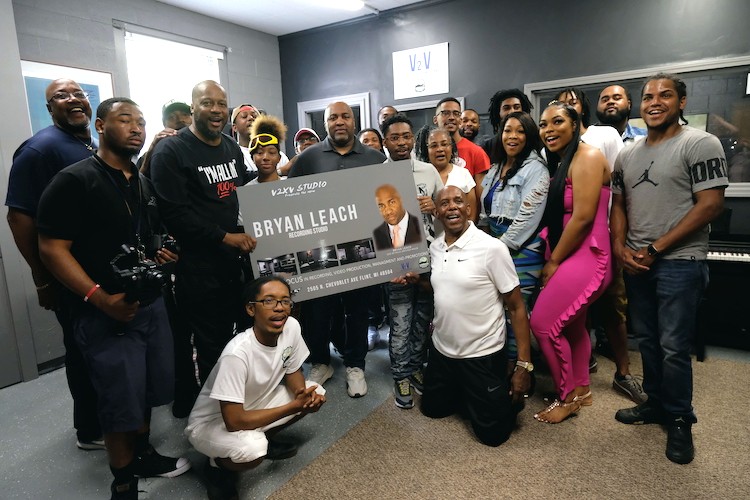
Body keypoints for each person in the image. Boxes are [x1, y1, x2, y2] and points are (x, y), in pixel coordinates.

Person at [36, 97, 190, 499]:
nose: (136, 128)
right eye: (125, 120)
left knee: (145, 390)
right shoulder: (75, 179)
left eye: (140, 121)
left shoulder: (142, 183)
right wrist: (99, 298)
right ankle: (123, 481)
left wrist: (163, 253)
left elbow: (146, 239)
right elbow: (52, 247)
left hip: (149, 303)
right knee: (118, 399)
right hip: (104, 311)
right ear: (101, 126)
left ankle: (143, 454)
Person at [611, 73, 727, 464]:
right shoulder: (627, 153)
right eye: (647, 97)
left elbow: (710, 205)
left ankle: (680, 419)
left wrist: (655, 249)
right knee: (646, 342)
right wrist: (620, 247)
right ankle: (655, 404)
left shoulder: (700, 143)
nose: (654, 102)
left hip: (680, 261)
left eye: (664, 95)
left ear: (681, 102)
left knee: (674, 348)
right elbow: (619, 205)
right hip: (638, 262)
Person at [5, 78, 103, 450]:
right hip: (68, 275)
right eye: (61, 96)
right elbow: (19, 218)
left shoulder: (87, 143)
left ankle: (109, 418)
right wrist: (42, 278)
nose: (74, 99)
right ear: (49, 109)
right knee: (82, 350)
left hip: (99, 270)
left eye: (79, 94)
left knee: (101, 348)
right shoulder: (39, 151)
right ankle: (91, 431)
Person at [150, 81, 256, 416]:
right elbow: (175, 214)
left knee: (247, 338)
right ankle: (219, 422)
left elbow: (241, 198)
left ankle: (246, 408)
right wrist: (226, 238)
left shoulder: (230, 147)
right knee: (214, 346)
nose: (215, 110)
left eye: (221, 104)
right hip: (199, 269)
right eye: (207, 103)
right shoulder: (171, 152)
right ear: (193, 108)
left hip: (236, 264)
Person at [401, 186, 532, 446]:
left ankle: (498, 389)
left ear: (469, 209)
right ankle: (468, 392)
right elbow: (443, 287)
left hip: (481, 354)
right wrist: (418, 282)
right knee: (432, 411)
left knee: (494, 436)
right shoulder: (436, 248)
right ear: (437, 212)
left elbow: (517, 307)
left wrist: (524, 365)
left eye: (458, 201)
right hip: (443, 352)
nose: (452, 206)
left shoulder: (492, 249)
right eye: (445, 203)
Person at [186, 277, 325, 500]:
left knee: (315, 390)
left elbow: (292, 370)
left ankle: (261, 436)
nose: (279, 307)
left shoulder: (291, 327)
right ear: (251, 309)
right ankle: (217, 466)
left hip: (253, 404)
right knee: (253, 451)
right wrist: (293, 407)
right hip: (213, 422)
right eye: (269, 301)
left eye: (285, 300)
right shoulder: (237, 354)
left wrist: (303, 396)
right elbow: (234, 421)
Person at [288, 101, 386, 397]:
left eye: (345, 116)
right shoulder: (308, 158)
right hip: (320, 251)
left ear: (354, 121)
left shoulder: (375, 158)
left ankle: (356, 364)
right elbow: (289, 201)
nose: (339, 121)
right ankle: (321, 361)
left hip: (361, 249)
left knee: (358, 310)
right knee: (319, 310)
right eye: (333, 117)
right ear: (326, 123)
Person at [529, 101, 613, 424]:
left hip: (587, 254)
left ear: (576, 122)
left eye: (558, 122)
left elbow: (582, 218)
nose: (549, 130)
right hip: (572, 253)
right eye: (544, 124)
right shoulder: (565, 160)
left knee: (543, 324)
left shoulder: (587, 156)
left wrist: (554, 262)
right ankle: (582, 390)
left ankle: (566, 397)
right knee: (573, 326)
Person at [380, 114, 443, 409]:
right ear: (385, 142)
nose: (402, 142)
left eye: (406, 136)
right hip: (395, 261)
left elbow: (447, 215)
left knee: (422, 319)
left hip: (428, 258)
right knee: (400, 321)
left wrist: (434, 207)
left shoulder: (429, 171)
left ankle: (417, 365)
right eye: (395, 137)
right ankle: (401, 375)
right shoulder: (375, 176)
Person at [479, 112, 549, 364]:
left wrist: (497, 248)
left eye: (520, 131)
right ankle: (500, 369)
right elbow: (484, 210)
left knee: (515, 311)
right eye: (508, 130)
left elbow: (528, 216)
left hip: (522, 248)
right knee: (496, 307)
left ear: (529, 136)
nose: (513, 136)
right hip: (496, 244)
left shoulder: (535, 169)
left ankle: (518, 374)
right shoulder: (497, 166)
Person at [417, 126, 478, 222]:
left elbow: (471, 216)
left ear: (451, 147)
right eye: (434, 145)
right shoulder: (419, 177)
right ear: (427, 150)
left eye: (444, 144)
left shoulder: (463, 174)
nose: (440, 149)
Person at [555, 87, 623, 170]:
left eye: (572, 103)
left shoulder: (607, 134)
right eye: (561, 105)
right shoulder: (554, 144)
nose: (566, 108)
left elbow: (620, 171)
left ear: (583, 109)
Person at [433, 97, 490, 184]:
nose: (451, 117)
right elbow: (409, 194)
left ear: (460, 120)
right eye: (445, 113)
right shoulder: (425, 152)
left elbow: (481, 196)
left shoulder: (477, 152)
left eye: (456, 113)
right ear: (435, 119)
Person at [231, 103, 289, 176]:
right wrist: (280, 171)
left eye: (254, 116)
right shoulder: (233, 155)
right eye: (244, 116)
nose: (251, 118)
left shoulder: (280, 156)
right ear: (234, 127)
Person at [138, 99, 192, 177]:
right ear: (164, 123)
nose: (180, 120)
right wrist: (150, 155)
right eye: (171, 117)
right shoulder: (152, 154)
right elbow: (136, 186)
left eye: (185, 115)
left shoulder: (205, 146)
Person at [484, 89, 534, 161]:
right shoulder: (489, 146)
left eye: (516, 107)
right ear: (498, 113)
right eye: (506, 108)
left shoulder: (534, 140)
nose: (512, 111)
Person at [372, 184, 423, 250]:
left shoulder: (420, 224)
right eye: (381, 206)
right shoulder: (376, 235)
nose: (388, 212)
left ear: (401, 200)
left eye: (392, 202)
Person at [247, 114, 288, 185]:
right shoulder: (247, 191)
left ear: (279, 158)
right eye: (260, 153)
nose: (266, 157)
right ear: (252, 158)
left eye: (271, 152)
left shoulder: (290, 186)